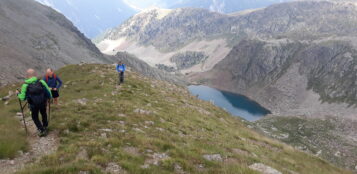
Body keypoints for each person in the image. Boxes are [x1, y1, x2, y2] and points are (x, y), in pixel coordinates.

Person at [17, 69, 52, 137]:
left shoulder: (25, 85)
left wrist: (18, 94)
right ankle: (45, 126)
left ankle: (41, 130)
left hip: (33, 105)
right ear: (35, 74)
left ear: (27, 76)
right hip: (43, 103)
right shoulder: (41, 82)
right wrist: (49, 98)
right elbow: (48, 92)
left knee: (35, 117)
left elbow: (22, 98)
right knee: (43, 113)